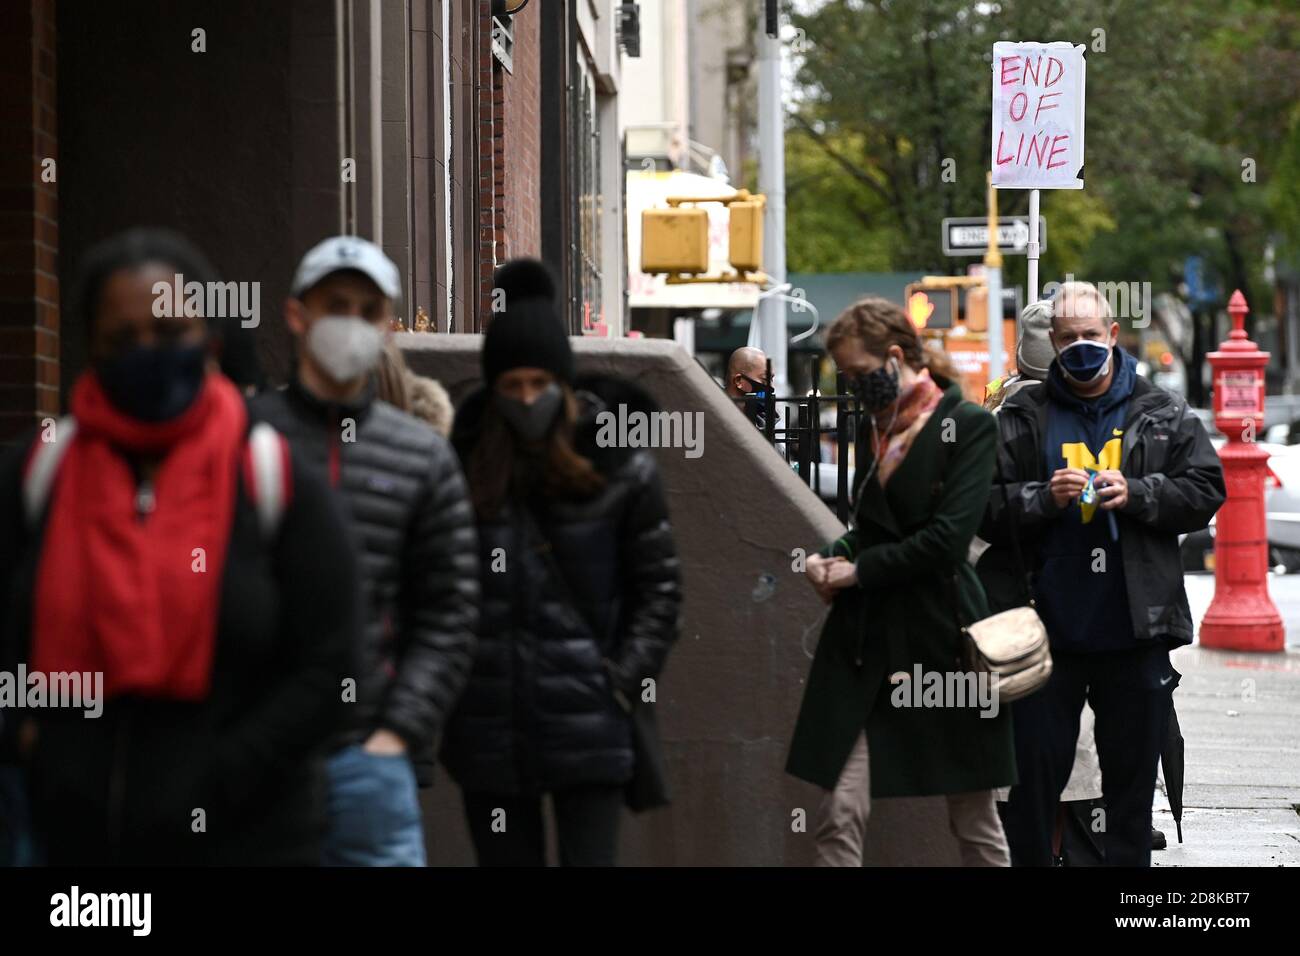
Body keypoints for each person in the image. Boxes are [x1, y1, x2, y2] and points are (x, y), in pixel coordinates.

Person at [0, 228, 360, 865]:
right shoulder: (38, 473)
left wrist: (218, 774)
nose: (147, 352)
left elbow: (333, 669)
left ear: (209, 339)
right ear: (92, 348)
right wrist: (33, 739)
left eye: (169, 333)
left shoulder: (271, 477)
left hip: (249, 842)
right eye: (122, 339)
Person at [442, 259, 682, 867]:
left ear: (564, 383)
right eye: (512, 385)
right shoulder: (463, 466)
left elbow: (660, 591)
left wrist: (619, 682)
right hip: (489, 725)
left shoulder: (619, 468)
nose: (527, 399)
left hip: (589, 725)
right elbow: (438, 585)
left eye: (540, 383)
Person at [251, 235, 479, 867]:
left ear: (387, 326)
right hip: (256, 762)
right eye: (335, 305)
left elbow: (451, 611)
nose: (350, 323)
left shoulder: (422, 457)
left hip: (369, 759)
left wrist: (397, 730)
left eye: (367, 310)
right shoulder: (243, 440)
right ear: (297, 314)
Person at [983, 281, 1224, 867]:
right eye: (1068, 338)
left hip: (1134, 634)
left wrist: (1139, 492)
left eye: (1091, 335)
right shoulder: (1021, 415)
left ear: (1113, 336)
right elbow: (982, 507)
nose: (1080, 347)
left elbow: (1206, 489)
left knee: (1130, 800)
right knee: (1031, 793)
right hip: (1046, 637)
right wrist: (1042, 499)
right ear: (1052, 342)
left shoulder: (1161, 411)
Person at [786, 295, 1015, 867]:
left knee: (973, 812)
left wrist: (857, 571)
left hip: (944, 637)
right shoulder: (878, 426)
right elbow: (869, 528)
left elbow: (946, 540)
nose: (854, 386)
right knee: (839, 808)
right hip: (867, 644)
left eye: (859, 374)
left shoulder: (967, 426)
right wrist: (829, 556)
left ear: (894, 356)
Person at [725, 346, 778, 431]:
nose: (771, 386)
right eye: (764, 379)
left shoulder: (764, 420)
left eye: (771, 379)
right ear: (739, 381)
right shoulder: (711, 418)